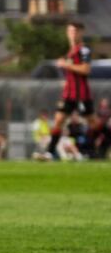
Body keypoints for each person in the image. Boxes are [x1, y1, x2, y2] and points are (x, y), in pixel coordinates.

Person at [47, 22, 96, 158]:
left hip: (81, 94)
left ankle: (96, 150)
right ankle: (49, 152)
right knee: (58, 120)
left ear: (81, 33)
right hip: (69, 94)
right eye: (70, 31)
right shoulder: (70, 52)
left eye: (75, 31)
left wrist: (66, 65)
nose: (72, 34)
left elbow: (86, 69)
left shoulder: (84, 50)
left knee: (94, 123)